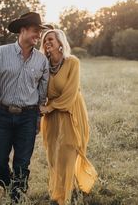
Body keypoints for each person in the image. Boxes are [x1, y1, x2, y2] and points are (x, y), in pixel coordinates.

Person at [0, 12, 49, 203]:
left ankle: (17, 198)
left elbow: (42, 93)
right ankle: (12, 190)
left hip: (29, 116)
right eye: (35, 31)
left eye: (40, 32)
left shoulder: (42, 60)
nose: (38, 36)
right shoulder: (1, 53)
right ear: (22, 30)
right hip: (4, 115)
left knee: (22, 165)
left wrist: (39, 118)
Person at [39, 29, 97, 205]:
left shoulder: (73, 62)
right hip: (51, 117)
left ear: (60, 43)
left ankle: (64, 196)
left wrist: (49, 107)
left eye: (50, 39)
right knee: (53, 155)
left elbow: (70, 93)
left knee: (68, 150)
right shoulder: (43, 65)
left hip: (70, 111)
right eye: (44, 40)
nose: (47, 42)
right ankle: (61, 188)